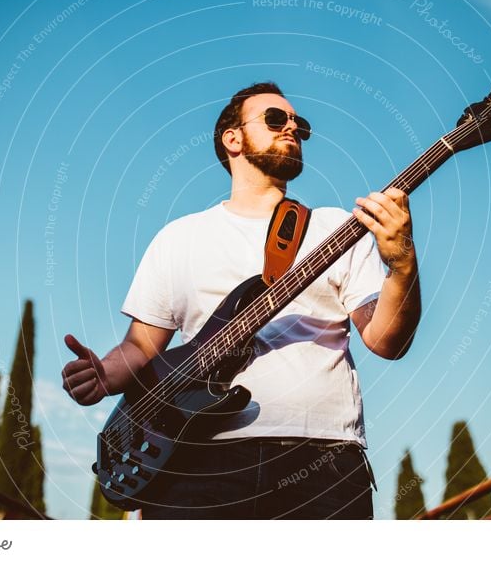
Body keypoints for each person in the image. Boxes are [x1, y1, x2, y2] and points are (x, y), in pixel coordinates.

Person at [61, 82, 421, 519]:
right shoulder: (180, 237)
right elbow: (140, 347)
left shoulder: (337, 228)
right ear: (232, 139)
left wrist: (402, 266)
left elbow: (386, 341)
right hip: (194, 464)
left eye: (298, 123)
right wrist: (104, 374)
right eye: (275, 119)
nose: (292, 127)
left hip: (321, 461)